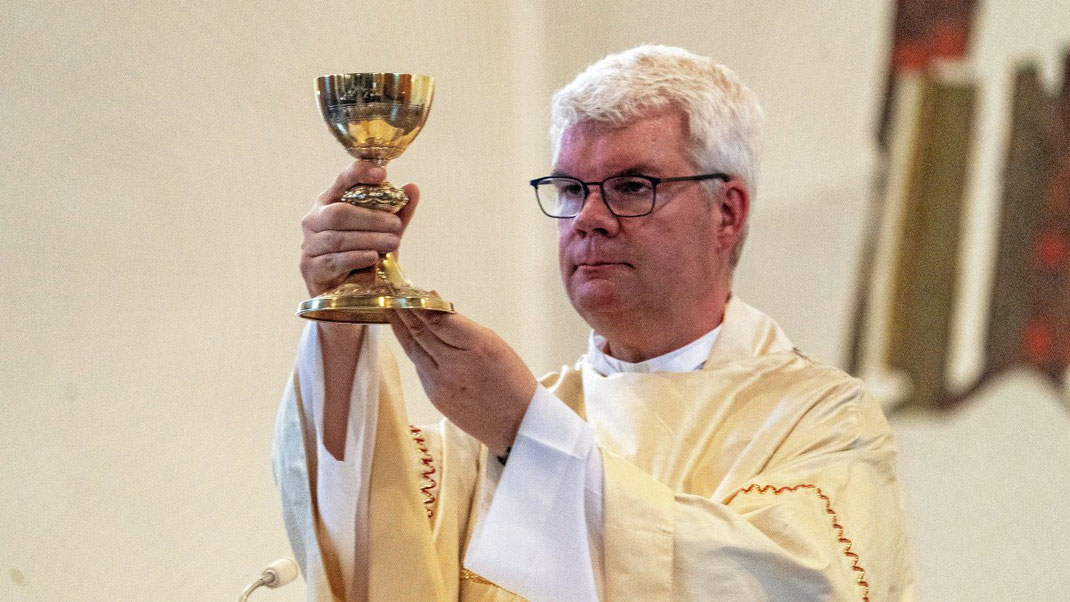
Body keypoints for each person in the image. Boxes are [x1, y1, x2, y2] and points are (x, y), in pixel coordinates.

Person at [273, 45, 914, 601]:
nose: (589, 218)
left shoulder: (823, 421)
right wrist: (340, 317)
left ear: (728, 213)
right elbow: (368, 542)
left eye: (632, 186)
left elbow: (795, 586)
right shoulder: (507, 427)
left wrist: (528, 435)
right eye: (572, 189)